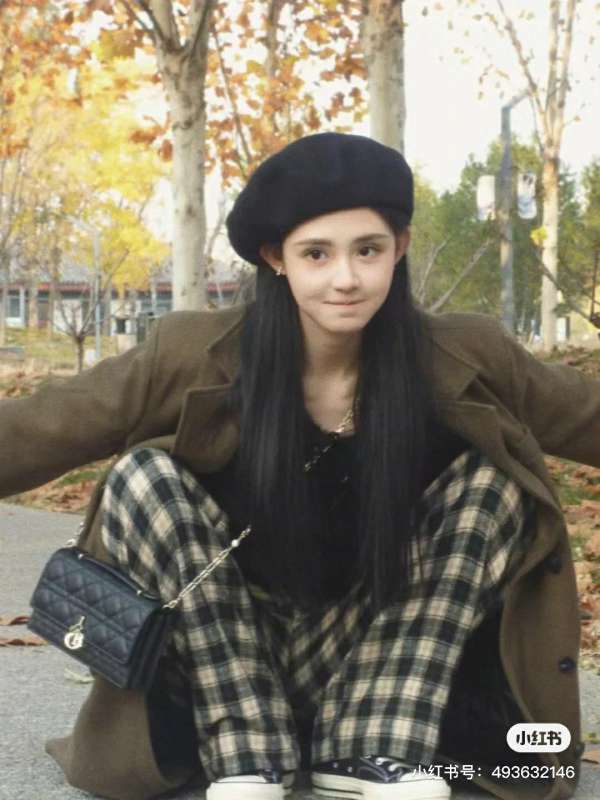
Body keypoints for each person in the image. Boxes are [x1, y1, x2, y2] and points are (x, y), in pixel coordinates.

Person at [0, 131, 595, 800]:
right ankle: (248, 748)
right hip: (220, 650)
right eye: (317, 253)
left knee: (495, 482)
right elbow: (45, 427)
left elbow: (583, 415)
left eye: (367, 250)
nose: (346, 278)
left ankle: (371, 741)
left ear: (399, 248)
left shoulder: (464, 355)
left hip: (393, 649)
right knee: (143, 478)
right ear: (275, 257)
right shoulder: (193, 352)